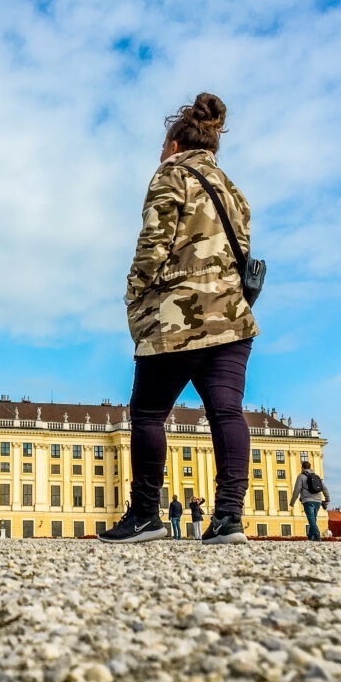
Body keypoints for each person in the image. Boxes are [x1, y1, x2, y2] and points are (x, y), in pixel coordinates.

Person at [99, 92, 259, 545]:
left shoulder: (171, 174)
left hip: (177, 318)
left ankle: (145, 516)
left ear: (173, 145)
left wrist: (133, 295)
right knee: (226, 412)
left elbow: (153, 245)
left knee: (148, 414)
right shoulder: (233, 190)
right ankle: (228, 518)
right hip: (231, 317)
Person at [289, 461, 330, 541]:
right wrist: (327, 499)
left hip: (308, 501)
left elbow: (296, 490)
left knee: (311, 520)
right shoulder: (316, 476)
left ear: (302, 468)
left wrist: (292, 502)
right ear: (310, 467)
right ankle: (310, 536)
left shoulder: (301, 476)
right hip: (318, 501)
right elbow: (324, 488)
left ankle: (317, 536)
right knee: (313, 519)